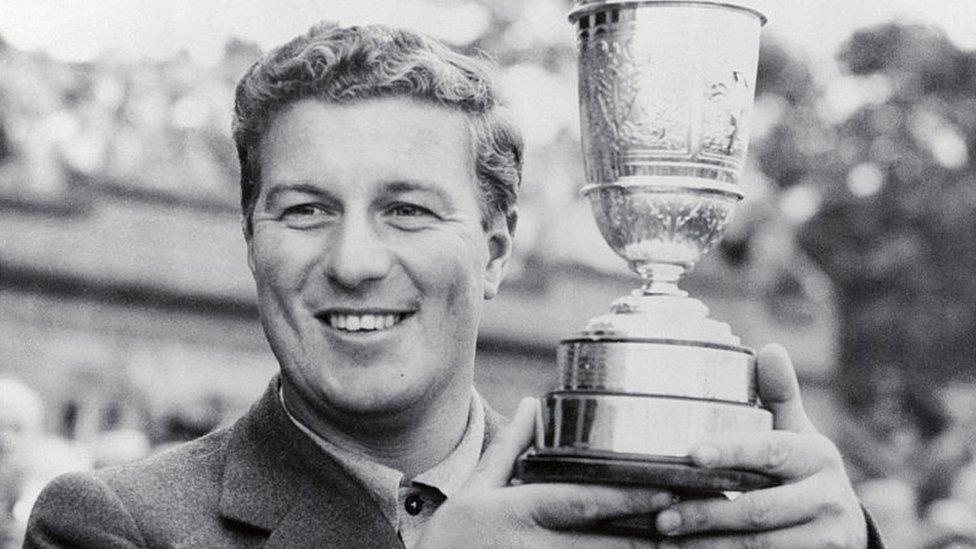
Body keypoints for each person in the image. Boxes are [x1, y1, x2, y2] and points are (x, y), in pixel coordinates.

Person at [24, 22, 884, 548]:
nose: (355, 260)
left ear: (499, 248)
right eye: (304, 211)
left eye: (408, 211)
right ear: (249, 240)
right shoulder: (111, 525)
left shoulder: (636, 502)